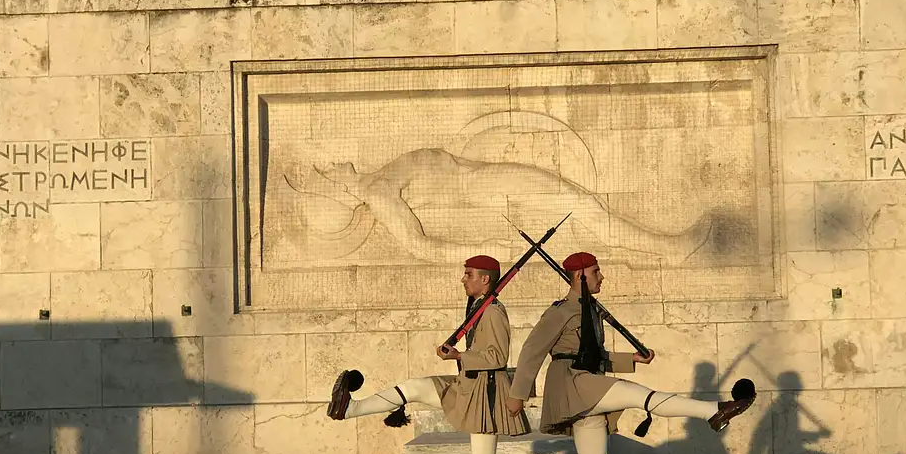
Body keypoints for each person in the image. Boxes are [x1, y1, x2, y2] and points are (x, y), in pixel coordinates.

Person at [506, 252, 757, 454]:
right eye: (596, 271)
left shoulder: (591, 310)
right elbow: (532, 350)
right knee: (639, 395)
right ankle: (715, 411)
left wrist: (631, 359)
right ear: (580, 276)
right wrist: (518, 393)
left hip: (589, 379)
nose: (602, 276)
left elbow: (595, 353)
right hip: (572, 383)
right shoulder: (560, 312)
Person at [329, 254, 528, 454]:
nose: (464, 279)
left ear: (485, 279)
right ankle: (351, 408)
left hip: (484, 395)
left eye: (469, 274)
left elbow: (498, 358)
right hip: (467, 387)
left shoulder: (495, 312)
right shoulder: (479, 306)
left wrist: (459, 356)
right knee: (414, 387)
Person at [288, 148, 712, 265]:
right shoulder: (378, 194)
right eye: (326, 173)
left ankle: (665, 247)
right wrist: (487, 250)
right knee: (582, 205)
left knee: (586, 205)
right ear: (339, 192)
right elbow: (423, 248)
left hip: (488, 176)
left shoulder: (379, 175)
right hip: (487, 188)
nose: (333, 163)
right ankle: (670, 248)